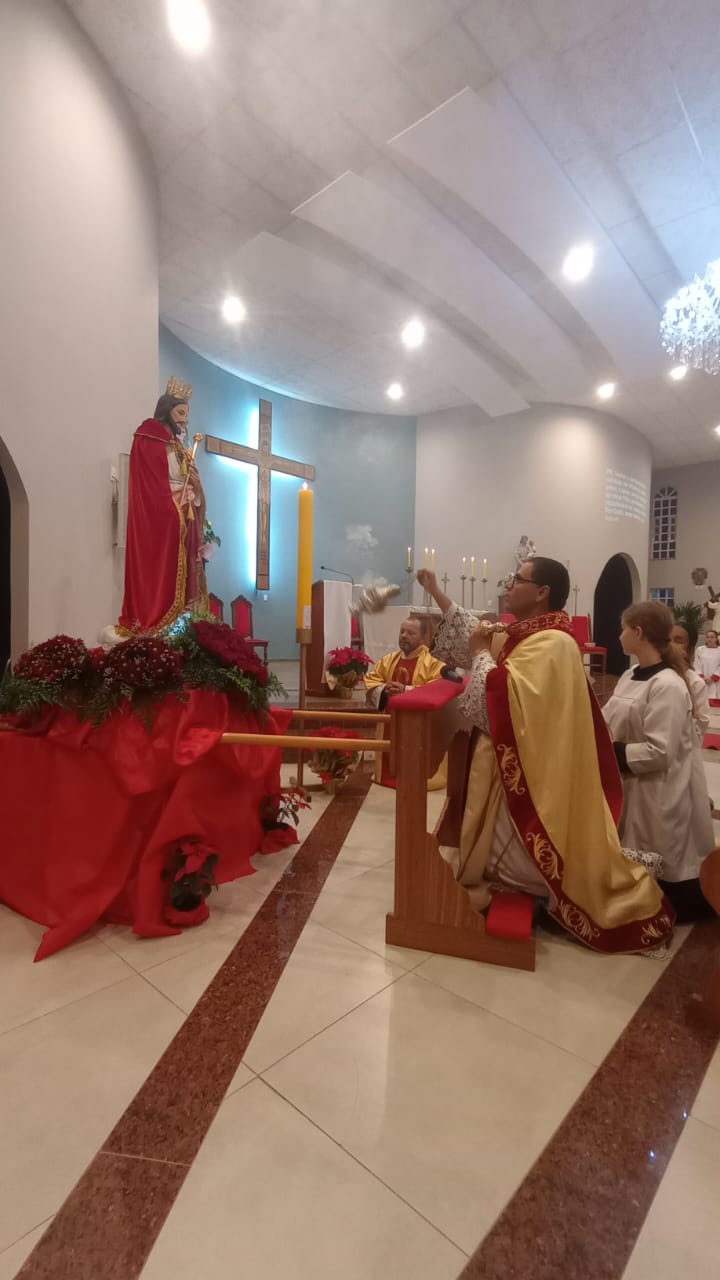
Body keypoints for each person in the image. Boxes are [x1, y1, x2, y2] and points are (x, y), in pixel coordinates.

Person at [416, 559, 674, 954]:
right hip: (512, 758)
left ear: (542, 593)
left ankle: (537, 884)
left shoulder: (553, 643)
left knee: (523, 848)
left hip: (532, 769)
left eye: (518, 580)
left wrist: (483, 656)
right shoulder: (529, 634)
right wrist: (436, 592)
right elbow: (479, 635)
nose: (509, 585)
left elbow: (502, 695)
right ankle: (511, 877)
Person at [603, 602, 714, 923]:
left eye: (624, 628)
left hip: (658, 788)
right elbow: (608, 718)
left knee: (659, 853)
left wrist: (612, 752)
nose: (619, 634)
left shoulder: (668, 684)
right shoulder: (629, 674)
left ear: (638, 633)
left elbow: (659, 751)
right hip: (629, 783)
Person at [118, 384, 207, 635]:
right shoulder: (149, 439)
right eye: (180, 413)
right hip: (164, 516)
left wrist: (194, 493)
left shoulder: (178, 446)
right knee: (160, 571)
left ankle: (179, 623)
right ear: (167, 411)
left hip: (183, 513)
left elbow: (190, 481)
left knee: (185, 572)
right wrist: (174, 505)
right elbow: (150, 486)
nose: (185, 419)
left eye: (187, 414)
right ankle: (155, 620)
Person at [365, 617, 447, 790]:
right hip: (391, 718)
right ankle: (385, 774)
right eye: (402, 631)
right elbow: (372, 679)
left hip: (418, 722)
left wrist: (406, 690)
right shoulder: (389, 659)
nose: (404, 636)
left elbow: (438, 688)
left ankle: (417, 778)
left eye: (410, 633)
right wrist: (383, 689)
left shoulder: (433, 662)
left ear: (424, 638)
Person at [670, 620, 709, 738]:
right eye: (667, 639)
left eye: (678, 641)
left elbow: (701, 722)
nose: (670, 644)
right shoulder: (647, 672)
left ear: (690, 649)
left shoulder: (695, 682)